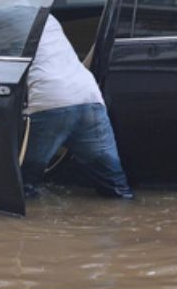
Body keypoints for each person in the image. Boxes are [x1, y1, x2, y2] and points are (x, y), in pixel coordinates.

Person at [21, 15, 133, 199]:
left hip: (51, 100)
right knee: (116, 187)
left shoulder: (2, 16)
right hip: (89, 96)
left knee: (25, 182)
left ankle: (23, 226)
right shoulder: (48, 18)